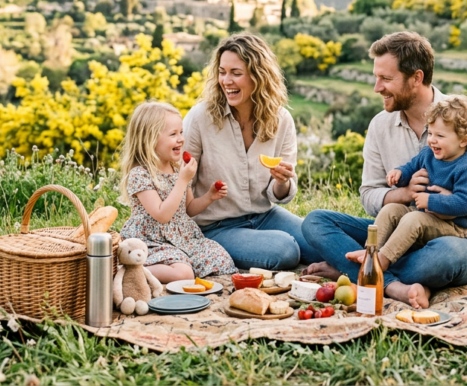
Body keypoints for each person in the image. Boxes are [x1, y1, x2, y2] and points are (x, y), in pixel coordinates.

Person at [303, 31, 467, 308]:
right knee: (315, 222)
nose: (377, 88)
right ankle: (393, 285)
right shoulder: (379, 126)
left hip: (457, 241)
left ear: (416, 78)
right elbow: (369, 194)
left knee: (442, 258)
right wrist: (405, 194)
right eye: (376, 77)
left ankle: (356, 270)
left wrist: (452, 204)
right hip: (397, 231)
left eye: (386, 79)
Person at [182, 33, 322, 270]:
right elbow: (181, 182)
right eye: (222, 72)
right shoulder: (200, 118)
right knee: (285, 249)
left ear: (259, 76)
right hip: (216, 226)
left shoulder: (281, 119)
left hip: (265, 215)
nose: (226, 81)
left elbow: (280, 194)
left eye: (236, 73)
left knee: (322, 241)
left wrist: (282, 181)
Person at [350, 95, 467, 272]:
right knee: (390, 210)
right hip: (422, 215)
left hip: (453, 227)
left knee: (412, 219)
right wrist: (400, 174)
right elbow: (411, 167)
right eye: (430, 133)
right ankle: (370, 252)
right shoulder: (428, 154)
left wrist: (431, 201)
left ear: (463, 140)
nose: (432, 140)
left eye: (440, 135)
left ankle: (381, 262)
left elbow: (465, 203)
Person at [119, 101, 237, 284]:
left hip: (184, 239)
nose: (181, 139)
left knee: (220, 259)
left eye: (181, 132)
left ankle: (180, 263)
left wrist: (209, 197)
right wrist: (182, 180)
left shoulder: (176, 168)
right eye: (173, 134)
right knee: (183, 274)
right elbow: (162, 215)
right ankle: (132, 269)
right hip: (153, 241)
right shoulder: (140, 174)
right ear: (149, 140)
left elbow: (188, 208)